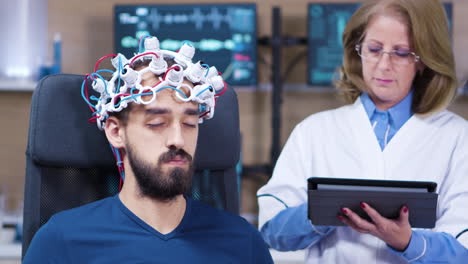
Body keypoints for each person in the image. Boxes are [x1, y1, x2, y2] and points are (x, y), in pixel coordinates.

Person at [24, 36, 273, 263]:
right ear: (116, 132)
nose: (177, 139)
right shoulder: (63, 241)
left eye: (189, 123)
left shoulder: (243, 243)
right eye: (157, 123)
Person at [257, 0, 468, 263]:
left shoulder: (457, 137)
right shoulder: (314, 131)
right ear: (358, 51)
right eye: (374, 49)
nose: (383, 65)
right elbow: (270, 232)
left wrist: (408, 242)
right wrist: (322, 211)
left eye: (401, 53)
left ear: (423, 60)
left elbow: (463, 250)